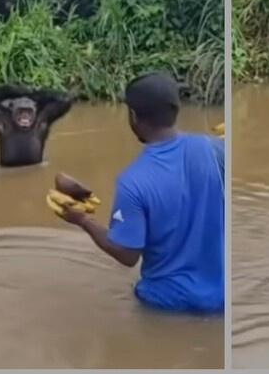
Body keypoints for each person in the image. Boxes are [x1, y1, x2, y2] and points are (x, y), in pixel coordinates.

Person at [57, 71, 225, 313]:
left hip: (165, 304)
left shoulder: (132, 182)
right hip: (222, 300)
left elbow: (127, 255)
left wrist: (83, 220)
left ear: (133, 117)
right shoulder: (216, 149)